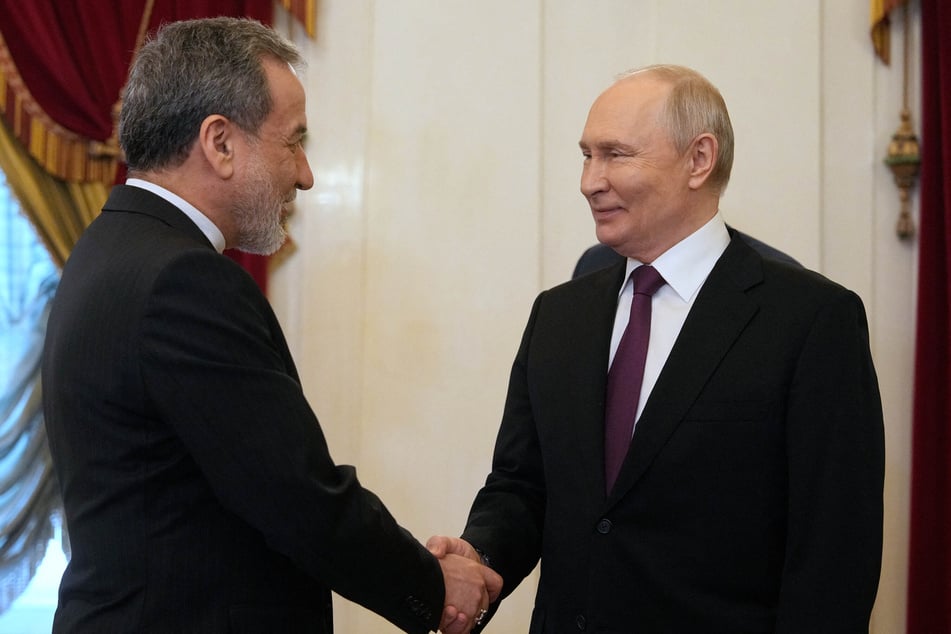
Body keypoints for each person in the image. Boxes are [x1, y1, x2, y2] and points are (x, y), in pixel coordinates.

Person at [42, 17, 499, 634]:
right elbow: (297, 495)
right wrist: (432, 586)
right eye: (293, 141)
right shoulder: (184, 280)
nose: (306, 173)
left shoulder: (108, 247)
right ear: (220, 143)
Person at [428, 64, 884, 632]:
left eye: (615, 155)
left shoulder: (811, 320)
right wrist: (482, 557)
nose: (589, 181)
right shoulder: (558, 315)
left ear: (699, 159)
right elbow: (524, 485)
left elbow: (834, 554)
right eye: (586, 155)